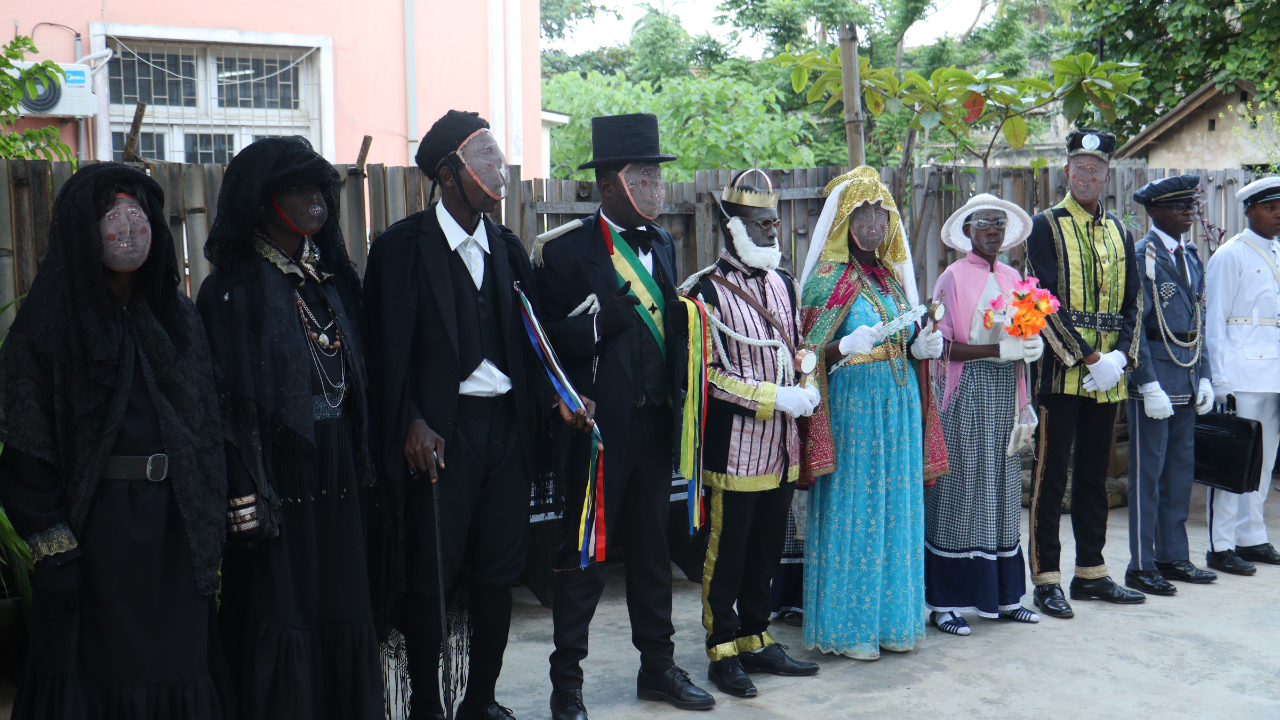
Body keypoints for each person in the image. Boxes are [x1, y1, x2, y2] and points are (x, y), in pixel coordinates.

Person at [363, 110, 594, 720]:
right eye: (486, 159)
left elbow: (528, 343)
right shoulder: (399, 252)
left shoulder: (510, 250)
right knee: (430, 578)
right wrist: (411, 418)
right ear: (447, 174)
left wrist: (559, 397)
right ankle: (425, 706)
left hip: (506, 434)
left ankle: (480, 700)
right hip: (439, 436)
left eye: (501, 157)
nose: (502, 170)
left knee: (498, 574)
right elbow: (384, 354)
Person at [0, 163, 232, 718]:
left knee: (177, 662)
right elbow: (28, 448)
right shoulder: (49, 322)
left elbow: (205, 425)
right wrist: (54, 552)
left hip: (173, 532)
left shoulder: (176, 318)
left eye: (137, 212)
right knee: (100, 667)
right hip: (99, 531)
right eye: (111, 213)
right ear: (83, 228)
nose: (128, 226)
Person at [533, 112, 713, 719]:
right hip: (598, 432)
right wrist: (595, 326)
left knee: (651, 550)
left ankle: (657, 668)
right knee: (584, 558)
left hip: (656, 422)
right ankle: (567, 684)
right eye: (645, 178)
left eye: (660, 178)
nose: (659, 191)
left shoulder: (660, 242)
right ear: (609, 184)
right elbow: (542, 341)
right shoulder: (563, 253)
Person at [197, 136, 384, 719]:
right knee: (284, 609)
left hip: (338, 474)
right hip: (275, 479)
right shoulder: (232, 290)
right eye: (298, 189)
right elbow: (220, 406)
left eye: (320, 189)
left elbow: (354, 388)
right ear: (262, 199)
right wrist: (241, 489)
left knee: (342, 604)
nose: (315, 201)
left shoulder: (329, 284)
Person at [679, 170, 820, 697]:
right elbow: (705, 376)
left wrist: (805, 382)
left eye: (775, 223)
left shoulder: (785, 283)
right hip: (735, 451)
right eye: (761, 224)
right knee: (728, 552)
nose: (773, 232)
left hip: (782, 446)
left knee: (766, 548)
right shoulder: (705, 291)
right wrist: (771, 397)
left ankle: (758, 639)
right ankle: (722, 649)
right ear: (732, 227)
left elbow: (800, 346)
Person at [796, 166, 946, 661]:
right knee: (856, 511)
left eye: (881, 215)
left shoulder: (890, 277)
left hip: (899, 405)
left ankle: (891, 621)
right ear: (842, 220)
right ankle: (850, 628)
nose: (874, 226)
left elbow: (905, 338)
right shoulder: (825, 280)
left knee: (896, 510)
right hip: (853, 409)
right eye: (862, 215)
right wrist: (842, 345)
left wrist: (921, 348)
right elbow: (805, 353)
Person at [1025, 129, 1146, 618]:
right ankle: (1047, 579)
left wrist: (1120, 358)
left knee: (1096, 477)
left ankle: (1092, 573)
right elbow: (1039, 299)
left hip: (1110, 374)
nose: (1088, 176)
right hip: (1061, 373)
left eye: (1096, 169)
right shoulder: (1045, 225)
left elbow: (1134, 302)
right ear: (1067, 172)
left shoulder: (1122, 231)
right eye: (1080, 168)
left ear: (1107, 174)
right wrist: (1087, 358)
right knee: (1051, 478)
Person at [926, 193, 1043, 636]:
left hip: (1005, 394)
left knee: (1003, 487)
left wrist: (1025, 355)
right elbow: (943, 347)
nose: (992, 232)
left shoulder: (1015, 276)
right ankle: (945, 604)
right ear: (968, 230)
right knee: (961, 489)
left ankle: (1005, 597)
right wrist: (998, 349)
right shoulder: (951, 279)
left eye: (998, 224)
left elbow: (1022, 336)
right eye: (983, 224)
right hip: (966, 391)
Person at [1123, 175, 1218, 595]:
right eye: (1178, 206)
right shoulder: (1143, 256)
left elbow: (1200, 321)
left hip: (1186, 371)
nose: (1187, 213)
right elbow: (1135, 327)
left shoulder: (1191, 256)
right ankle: (1141, 565)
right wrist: (1146, 383)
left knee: (1180, 472)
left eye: (1190, 205)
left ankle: (1173, 556)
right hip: (1156, 378)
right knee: (1147, 477)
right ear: (1154, 211)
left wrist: (1206, 377)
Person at [1203, 175, 1280, 574]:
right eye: (1271, 207)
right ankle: (1221, 545)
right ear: (1249, 210)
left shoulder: (1277, 251)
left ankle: (1253, 537)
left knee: (1264, 463)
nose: (1278, 213)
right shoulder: (1230, 255)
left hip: (1274, 373)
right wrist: (1219, 379)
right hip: (1241, 373)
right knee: (1235, 462)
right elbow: (1214, 321)